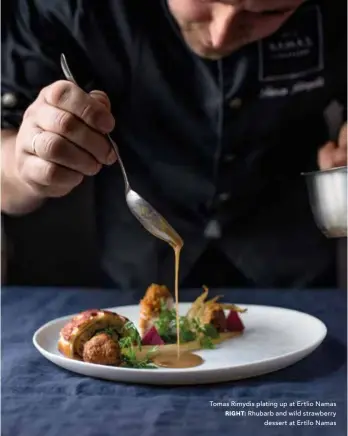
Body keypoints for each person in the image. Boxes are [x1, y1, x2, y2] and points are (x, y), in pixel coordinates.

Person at [1, 0, 347, 290]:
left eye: (267, 13)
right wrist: (27, 164)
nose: (219, 34)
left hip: (293, 267)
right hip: (139, 270)